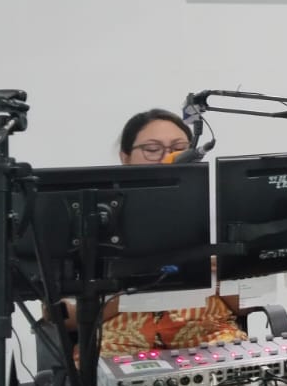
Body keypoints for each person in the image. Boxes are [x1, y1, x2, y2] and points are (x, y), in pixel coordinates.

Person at [97, 109, 241, 356]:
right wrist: (132, 292)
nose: (167, 158)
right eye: (152, 150)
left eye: (179, 149)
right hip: (121, 342)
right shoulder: (99, 216)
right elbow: (59, 317)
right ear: (125, 157)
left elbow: (247, 307)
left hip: (209, 336)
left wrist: (221, 273)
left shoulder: (220, 212)